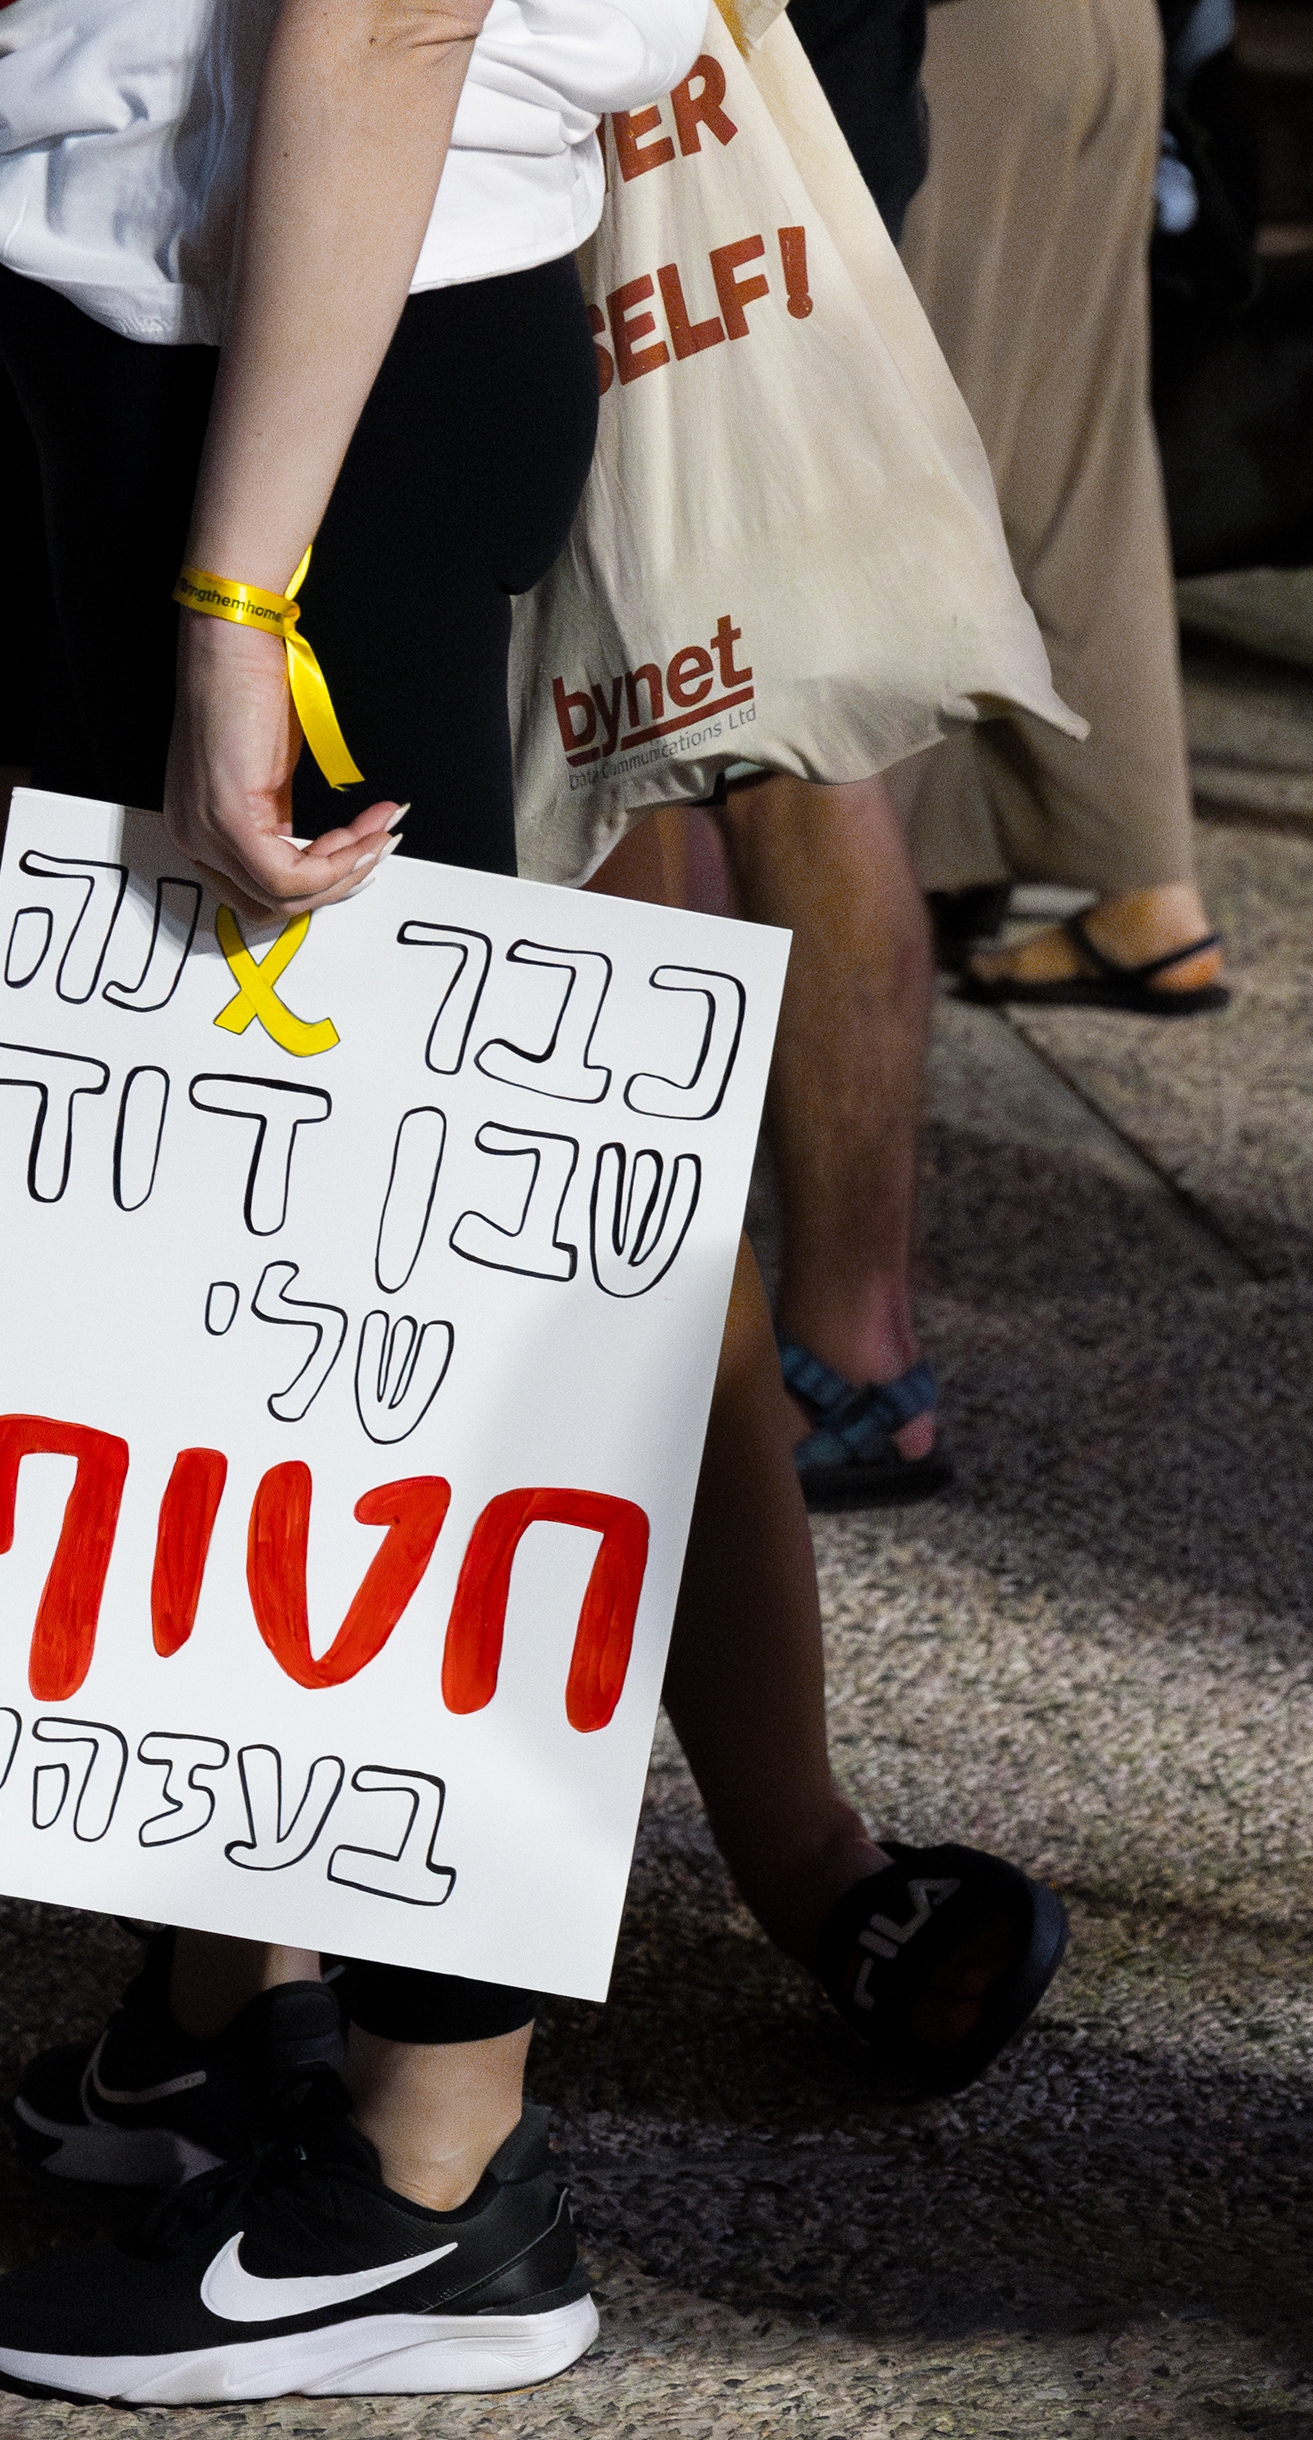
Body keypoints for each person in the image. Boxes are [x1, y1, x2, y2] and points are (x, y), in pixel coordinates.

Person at [0, 0, 1067, 2405]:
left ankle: (433, 2166)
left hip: (316, 328)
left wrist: (236, 603)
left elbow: (391, 14)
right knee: (249, 1230)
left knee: (415, 1233)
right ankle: (239, 1994)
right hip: (139, 274)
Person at [592, 0, 945, 1506]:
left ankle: (684, 1344)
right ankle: (850, 1341)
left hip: (627, 102)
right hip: (805, 87)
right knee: (769, 697)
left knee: (621, 702)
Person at [892, 0, 1229, 1016]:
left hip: (955, 42)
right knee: (1079, 473)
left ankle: (833, 926)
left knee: (900, 482)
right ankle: (1150, 893)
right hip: (1110, 31)